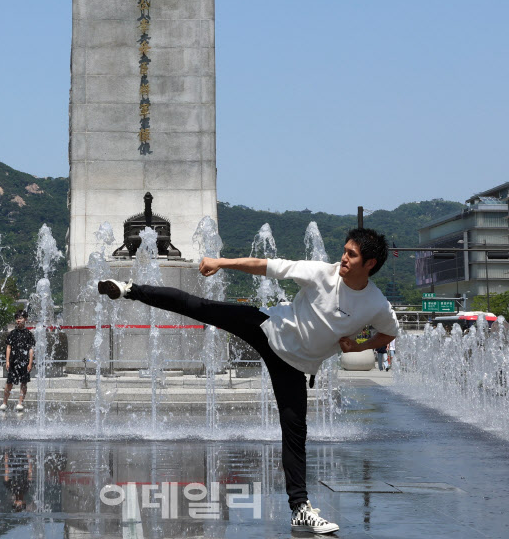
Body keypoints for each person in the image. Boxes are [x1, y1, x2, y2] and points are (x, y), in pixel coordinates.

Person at [97, 228, 398, 535]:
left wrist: (358, 346)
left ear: (370, 263)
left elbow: (390, 333)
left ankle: (300, 510)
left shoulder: (376, 304)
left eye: (352, 254)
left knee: (295, 434)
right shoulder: (322, 273)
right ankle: (128, 289)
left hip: (295, 366)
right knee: (201, 307)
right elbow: (264, 264)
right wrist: (221, 262)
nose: (343, 258)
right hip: (268, 328)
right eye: (344, 250)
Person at [0, 310, 35, 413]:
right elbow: (8, 347)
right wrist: (7, 361)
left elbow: (31, 349)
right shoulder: (12, 333)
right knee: (9, 383)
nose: (18, 320)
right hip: (13, 361)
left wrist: (30, 363)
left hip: (24, 361)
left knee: (23, 383)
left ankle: (20, 403)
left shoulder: (29, 334)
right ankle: (4, 402)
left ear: (26, 319)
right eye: (17, 318)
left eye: (20, 318)